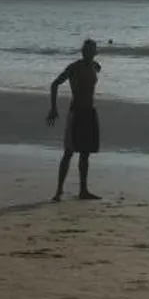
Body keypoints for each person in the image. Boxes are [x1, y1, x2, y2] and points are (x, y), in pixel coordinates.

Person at [47, 39, 104, 201]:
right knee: (69, 151)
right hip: (77, 112)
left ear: (95, 52)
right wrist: (53, 108)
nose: (88, 53)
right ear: (82, 51)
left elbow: (97, 69)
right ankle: (58, 191)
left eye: (92, 50)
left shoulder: (95, 66)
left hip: (90, 112)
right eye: (86, 50)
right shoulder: (74, 67)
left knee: (85, 154)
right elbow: (55, 84)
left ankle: (83, 190)